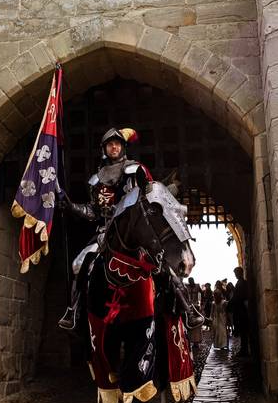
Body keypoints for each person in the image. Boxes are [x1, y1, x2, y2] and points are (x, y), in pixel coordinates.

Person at [57, 127, 204, 330]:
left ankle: (188, 309)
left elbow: (151, 195)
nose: (114, 147)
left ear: (123, 147)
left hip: (137, 228)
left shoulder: (136, 169)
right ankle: (74, 310)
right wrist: (71, 206)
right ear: (104, 149)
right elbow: (93, 211)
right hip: (106, 231)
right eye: (110, 144)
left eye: (117, 144)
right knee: (79, 263)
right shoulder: (95, 180)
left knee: (162, 260)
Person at [230, 266, 250, 356]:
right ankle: (243, 349)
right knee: (242, 331)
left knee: (243, 331)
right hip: (240, 309)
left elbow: (240, 296)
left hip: (241, 310)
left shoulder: (242, 283)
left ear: (240, 273)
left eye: (236, 273)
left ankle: (244, 350)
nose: (235, 275)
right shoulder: (240, 282)